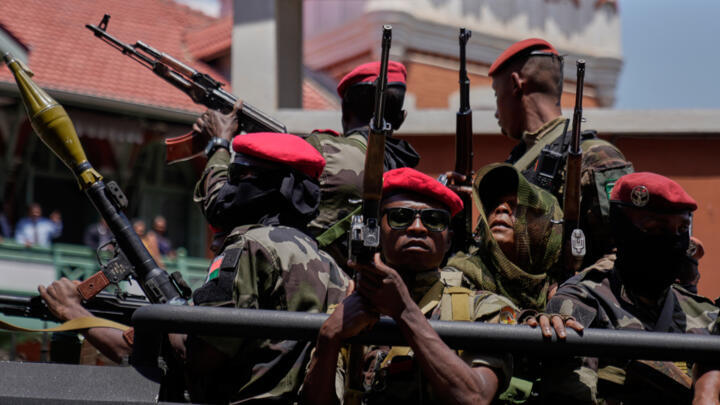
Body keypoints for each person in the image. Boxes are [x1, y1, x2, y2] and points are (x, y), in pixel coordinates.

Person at [302, 167, 519, 405]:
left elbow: (475, 398)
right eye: (400, 217)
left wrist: (404, 311)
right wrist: (329, 337)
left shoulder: (484, 308)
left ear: (448, 240)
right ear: (374, 233)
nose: (417, 227)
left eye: (434, 220)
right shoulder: (347, 312)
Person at [187, 132, 351, 403]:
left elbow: (206, 354)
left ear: (276, 185)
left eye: (239, 174)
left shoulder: (250, 245)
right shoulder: (332, 265)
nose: (231, 185)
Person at [532, 172, 720, 404]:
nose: (673, 241)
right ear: (622, 232)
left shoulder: (704, 315)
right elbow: (572, 393)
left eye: (682, 230)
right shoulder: (582, 302)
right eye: (657, 229)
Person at [488, 38, 633, 269]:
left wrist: (573, 294)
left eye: (497, 96)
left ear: (516, 84)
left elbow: (624, 252)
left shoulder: (595, 155)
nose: (496, 113)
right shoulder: (517, 161)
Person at [304, 61, 420, 268]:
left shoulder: (321, 150)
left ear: (345, 114)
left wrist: (224, 144)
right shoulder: (411, 180)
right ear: (401, 120)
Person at [445, 163, 564, 311]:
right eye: (494, 204)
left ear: (544, 227)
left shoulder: (563, 287)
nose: (501, 208)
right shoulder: (462, 277)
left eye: (516, 206)